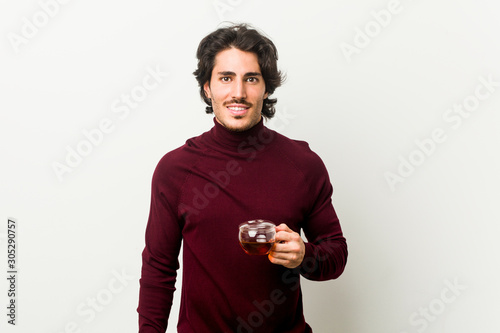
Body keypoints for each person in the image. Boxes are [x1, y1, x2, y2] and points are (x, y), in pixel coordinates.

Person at [137, 23, 348, 332]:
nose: (238, 92)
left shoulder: (302, 165)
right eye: (226, 78)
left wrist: (305, 255)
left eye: (251, 79)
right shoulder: (175, 170)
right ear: (208, 88)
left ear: (266, 88)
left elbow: (336, 255)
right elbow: (159, 268)